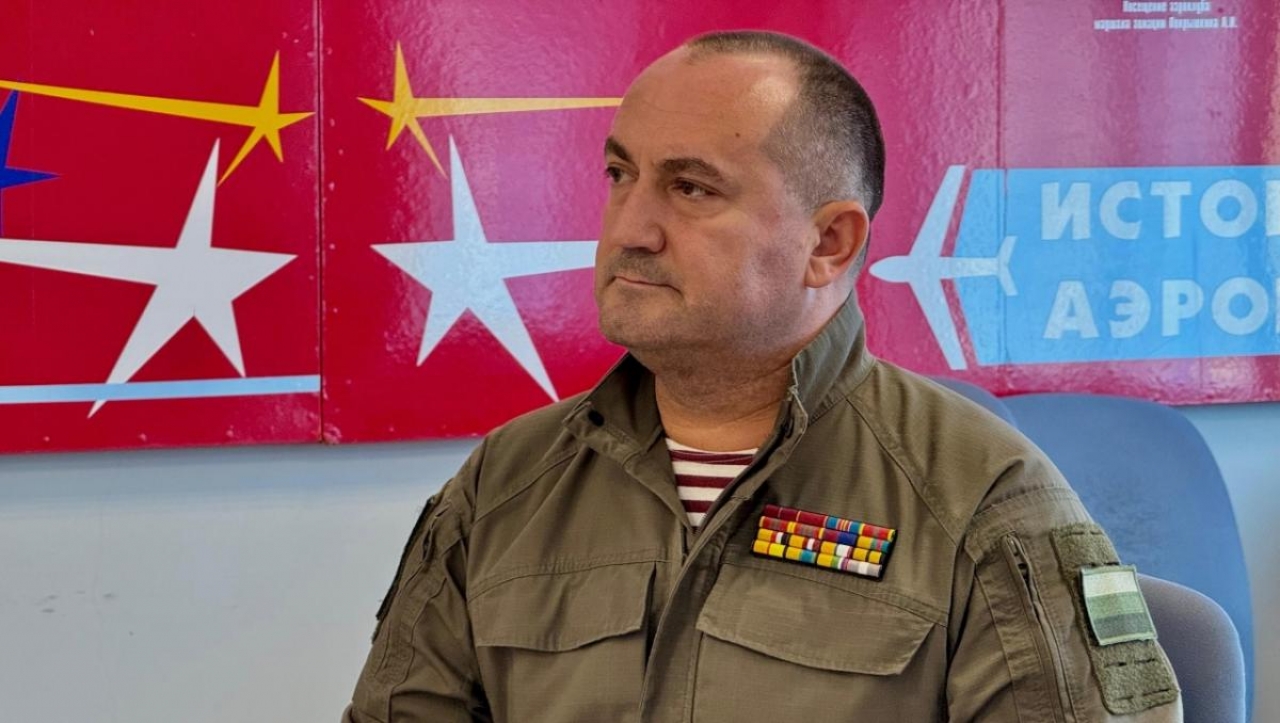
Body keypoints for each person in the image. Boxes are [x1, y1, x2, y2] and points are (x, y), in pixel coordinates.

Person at [343, 30, 1183, 722]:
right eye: (620, 175)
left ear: (829, 244)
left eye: (691, 188)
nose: (631, 228)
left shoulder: (984, 501)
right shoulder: (506, 484)